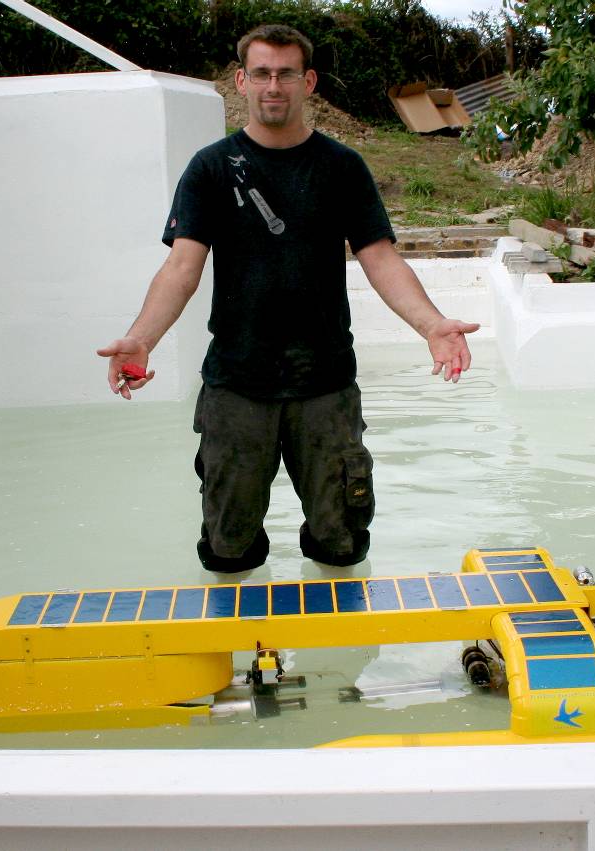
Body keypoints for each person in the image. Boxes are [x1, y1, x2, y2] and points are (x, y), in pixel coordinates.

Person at [97, 24, 478, 574]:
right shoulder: (210, 167)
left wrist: (432, 325)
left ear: (308, 82)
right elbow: (183, 265)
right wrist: (141, 339)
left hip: (324, 387)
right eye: (261, 73)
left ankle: (336, 654)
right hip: (236, 386)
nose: (273, 85)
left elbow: (380, 257)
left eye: (286, 74)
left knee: (341, 542)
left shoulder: (341, 167)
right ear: (241, 82)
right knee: (228, 549)